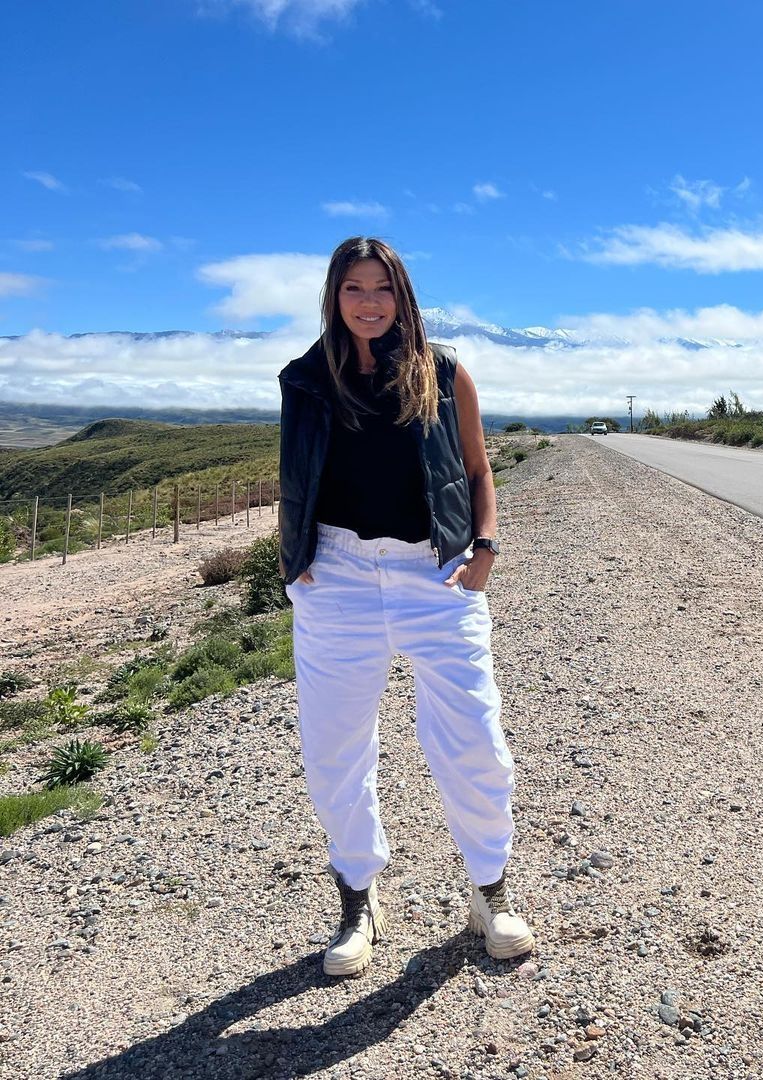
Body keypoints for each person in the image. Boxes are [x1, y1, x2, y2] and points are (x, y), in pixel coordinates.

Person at [277, 236, 533, 976]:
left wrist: (485, 546)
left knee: (473, 739)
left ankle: (490, 893)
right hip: (337, 577)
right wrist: (296, 561)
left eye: (382, 288)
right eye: (354, 288)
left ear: (403, 295)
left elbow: (478, 469)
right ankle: (357, 900)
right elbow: (294, 477)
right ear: (334, 296)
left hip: (435, 572)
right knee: (335, 749)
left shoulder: (443, 371)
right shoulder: (304, 379)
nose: (369, 303)